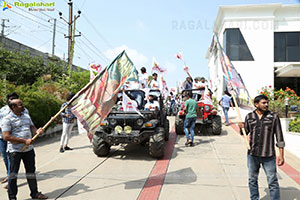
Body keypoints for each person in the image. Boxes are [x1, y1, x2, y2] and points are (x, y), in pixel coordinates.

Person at [238, 95, 285, 200]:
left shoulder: (273, 117)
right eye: (263, 103)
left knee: (272, 181)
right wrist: (241, 127)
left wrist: (281, 155)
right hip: (252, 154)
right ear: (256, 104)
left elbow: (279, 137)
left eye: (267, 102)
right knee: (252, 180)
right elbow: (245, 132)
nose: (266, 105)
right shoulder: (249, 116)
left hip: (268, 155)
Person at [1, 99, 48, 200]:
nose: (23, 106)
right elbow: (6, 136)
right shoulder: (7, 119)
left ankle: (34, 193)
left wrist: (37, 131)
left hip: (29, 150)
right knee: (13, 175)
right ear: (13, 107)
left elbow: (32, 127)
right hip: (15, 151)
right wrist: (24, 141)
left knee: (31, 172)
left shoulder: (26, 116)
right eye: (20, 105)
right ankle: (12, 197)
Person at [0, 92, 29, 189]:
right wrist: (5, 130)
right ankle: (10, 179)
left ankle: (11, 181)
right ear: (8, 101)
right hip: (4, 138)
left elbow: (29, 123)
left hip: (20, 142)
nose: (13, 100)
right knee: (6, 158)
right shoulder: (3, 111)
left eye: (15, 98)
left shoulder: (24, 110)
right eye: (11, 98)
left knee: (16, 164)